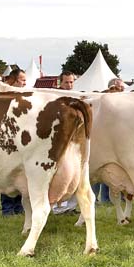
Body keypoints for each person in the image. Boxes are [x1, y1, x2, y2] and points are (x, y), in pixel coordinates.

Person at [0, 68, 26, 216]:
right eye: (22, 80)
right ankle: (7, 208)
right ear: (15, 81)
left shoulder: (24, 96)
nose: (25, 83)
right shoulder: (6, 97)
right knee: (8, 173)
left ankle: (19, 205)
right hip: (8, 139)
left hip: (21, 140)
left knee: (20, 172)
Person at [53, 70, 78, 214]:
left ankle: (71, 206)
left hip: (74, 140)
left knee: (73, 173)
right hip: (58, 141)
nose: (69, 85)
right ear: (60, 83)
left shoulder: (76, 98)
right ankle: (57, 208)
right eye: (66, 82)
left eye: (71, 82)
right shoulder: (55, 97)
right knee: (59, 174)